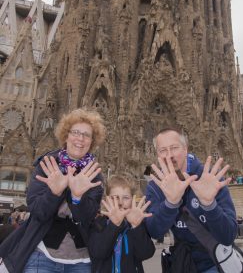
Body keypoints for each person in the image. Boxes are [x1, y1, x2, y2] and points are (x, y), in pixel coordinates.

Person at [0, 108, 106, 273]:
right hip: (43, 255)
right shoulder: (47, 164)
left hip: (81, 259)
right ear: (66, 135)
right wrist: (54, 193)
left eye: (86, 135)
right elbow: (37, 212)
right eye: (76, 132)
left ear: (92, 142)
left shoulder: (94, 175)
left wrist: (77, 198)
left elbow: (86, 218)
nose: (80, 138)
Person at [145, 128, 237, 273]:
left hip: (213, 263)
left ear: (186, 149)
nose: (169, 155)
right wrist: (170, 203)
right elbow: (155, 232)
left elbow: (228, 236)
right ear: (157, 154)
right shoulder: (156, 186)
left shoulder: (209, 178)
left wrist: (209, 205)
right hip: (180, 263)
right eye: (163, 150)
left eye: (174, 148)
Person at [88, 175, 155, 273]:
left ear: (132, 199)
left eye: (126, 198)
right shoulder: (99, 222)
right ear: (107, 199)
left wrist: (136, 227)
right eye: (114, 197)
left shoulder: (135, 224)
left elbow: (146, 254)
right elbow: (98, 253)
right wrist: (114, 225)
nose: (120, 202)